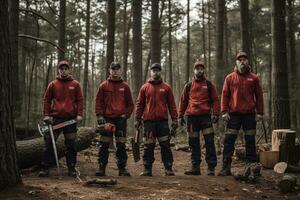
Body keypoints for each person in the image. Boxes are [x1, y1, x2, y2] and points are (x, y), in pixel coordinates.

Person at [218, 51, 264, 176]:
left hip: (249, 114)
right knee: (229, 140)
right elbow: (225, 95)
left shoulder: (254, 78)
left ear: (247, 62)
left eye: (244, 59)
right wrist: (224, 111)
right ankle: (225, 167)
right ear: (236, 63)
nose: (242, 61)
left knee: (250, 140)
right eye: (240, 60)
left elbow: (259, 96)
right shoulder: (230, 77)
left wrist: (260, 112)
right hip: (233, 114)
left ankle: (251, 168)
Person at [39, 60, 83, 177]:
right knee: (49, 142)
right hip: (55, 119)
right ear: (58, 70)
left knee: (71, 145)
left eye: (65, 68)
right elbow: (46, 100)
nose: (63, 70)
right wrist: (47, 115)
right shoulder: (53, 84)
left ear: (69, 70)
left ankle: (71, 168)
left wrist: (79, 114)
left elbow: (80, 100)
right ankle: (45, 168)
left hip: (71, 119)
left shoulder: (75, 84)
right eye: (61, 68)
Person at [135, 63, 178, 176]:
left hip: (162, 122)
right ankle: (147, 169)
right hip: (148, 122)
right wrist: (137, 119)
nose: (156, 72)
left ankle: (168, 168)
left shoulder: (166, 87)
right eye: (154, 70)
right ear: (151, 72)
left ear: (160, 72)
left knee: (165, 145)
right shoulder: (145, 87)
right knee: (148, 146)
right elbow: (140, 104)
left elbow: (172, 105)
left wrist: (174, 119)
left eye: (158, 70)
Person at [178, 61, 220, 176]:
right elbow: (183, 101)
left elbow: (215, 100)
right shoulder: (188, 85)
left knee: (209, 141)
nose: (199, 70)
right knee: (193, 143)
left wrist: (216, 114)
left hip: (205, 117)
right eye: (197, 68)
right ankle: (195, 167)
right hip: (191, 118)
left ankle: (211, 167)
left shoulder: (209, 84)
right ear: (194, 70)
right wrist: (180, 116)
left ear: (204, 70)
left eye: (201, 68)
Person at [95, 62, 134, 176]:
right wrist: (100, 116)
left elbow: (130, 104)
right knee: (104, 144)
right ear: (109, 70)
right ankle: (101, 168)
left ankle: (122, 168)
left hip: (121, 120)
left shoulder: (125, 86)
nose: (115, 71)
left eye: (117, 69)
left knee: (121, 144)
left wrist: (125, 115)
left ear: (120, 71)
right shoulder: (103, 85)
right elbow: (98, 102)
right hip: (107, 119)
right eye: (113, 69)